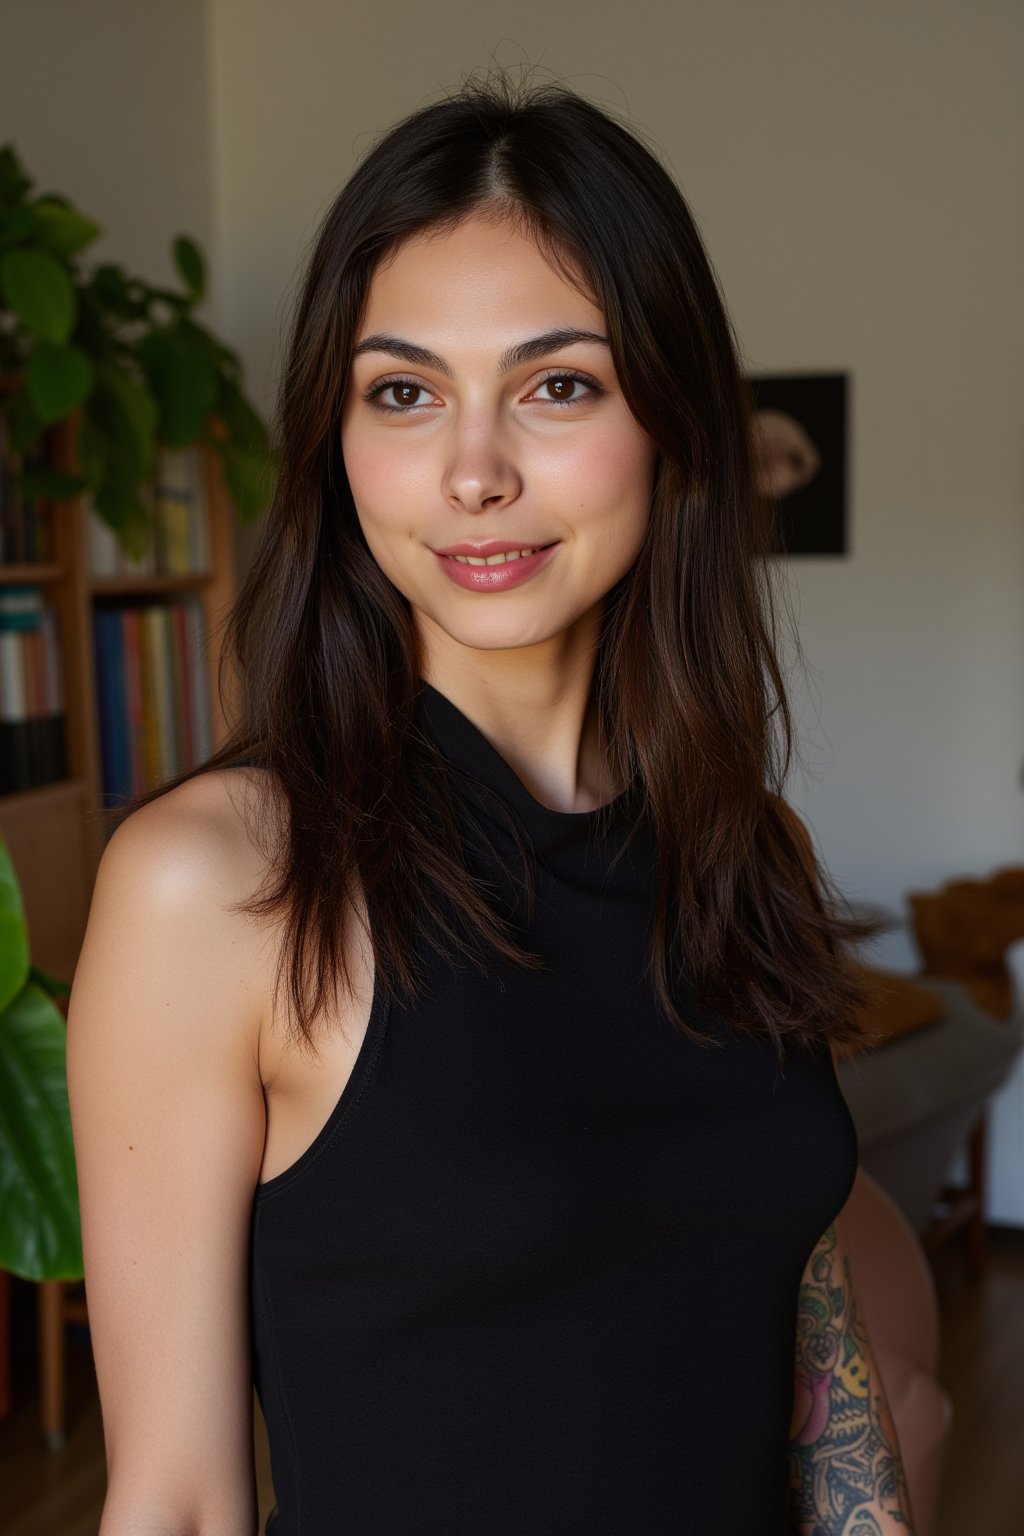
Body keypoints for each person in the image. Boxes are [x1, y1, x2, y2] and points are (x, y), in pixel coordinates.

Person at [67, 69, 916, 1536]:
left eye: (557, 385)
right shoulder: (214, 884)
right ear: (336, 452)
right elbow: (182, 1501)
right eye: (404, 392)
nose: (472, 472)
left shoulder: (740, 847)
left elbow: (804, 1326)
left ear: (674, 426)